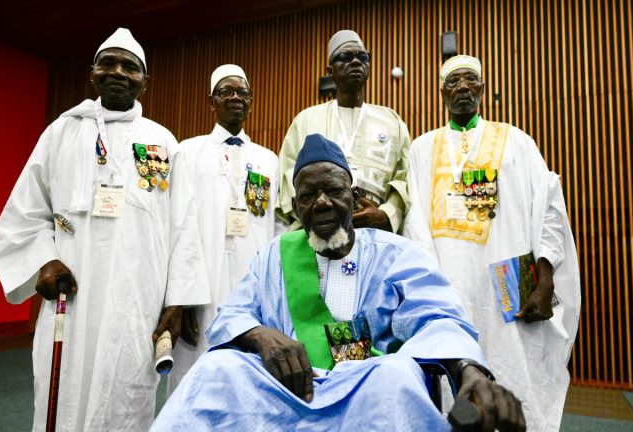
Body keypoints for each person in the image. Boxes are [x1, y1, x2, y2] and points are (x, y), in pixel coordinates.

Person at [153, 134, 525, 431]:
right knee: (215, 370)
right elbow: (233, 313)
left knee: (396, 376)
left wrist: (470, 373)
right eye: (308, 196)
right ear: (296, 207)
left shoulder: (395, 254)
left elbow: (440, 318)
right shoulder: (273, 256)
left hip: (366, 387)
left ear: (353, 195)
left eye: (333, 190)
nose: (322, 203)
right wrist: (261, 336)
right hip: (289, 390)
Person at [0, 28, 210, 431]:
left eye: (130, 66)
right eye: (107, 62)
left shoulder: (162, 142)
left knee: (125, 398)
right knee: (63, 397)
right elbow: (25, 211)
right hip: (72, 301)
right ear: (91, 73)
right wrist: (45, 262)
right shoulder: (61, 133)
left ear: (146, 81)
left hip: (137, 305)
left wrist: (177, 302)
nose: (117, 72)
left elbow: (184, 225)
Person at [403, 55, 581, 431]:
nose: (463, 87)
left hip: (509, 293)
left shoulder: (517, 140)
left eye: (471, 80)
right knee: (454, 382)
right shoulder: (422, 148)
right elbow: (414, 224)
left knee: (515, 383)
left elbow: (548, 206)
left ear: (483, 89)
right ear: (442, 93)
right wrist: (429, 291)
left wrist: (546, 275)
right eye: (454, 82)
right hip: (449, 290)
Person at [168, 64, 278, 394]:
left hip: (251, 286)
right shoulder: (186, 151)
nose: (235, 98)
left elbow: (276, 230)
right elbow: (178, 226)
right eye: (225, 92)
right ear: (210, 101)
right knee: (196, 379)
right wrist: (181, 297)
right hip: (201, 290)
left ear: (251, 101)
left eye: (242, 92)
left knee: (248, 381)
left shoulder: (268, 159)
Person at [276, 30, 411, 233]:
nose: (356, 62)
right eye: (346, 57)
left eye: (362, 57)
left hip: (376, 234)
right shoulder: (306, 119)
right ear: (330, 71)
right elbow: (287, 180)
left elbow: (405, 178)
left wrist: (386, 214)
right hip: (317, 233)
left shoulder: (392, 121)